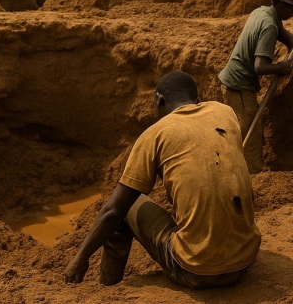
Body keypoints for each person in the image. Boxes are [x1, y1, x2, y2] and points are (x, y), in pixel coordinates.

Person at [64, 71, 261, 289]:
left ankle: (108, 287)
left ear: (159, 99)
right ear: (196, 101)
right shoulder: (225, 112)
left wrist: (80, 258)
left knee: (127, 205)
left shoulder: (155, 134)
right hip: (246, 261)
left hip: (194, 270)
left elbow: (113, 210)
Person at [217, 0, 293, 174]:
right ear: (279, 3)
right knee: (250, 141)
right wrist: (280, 67)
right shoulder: (269, 26)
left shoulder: (262, 12)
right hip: (239, 87)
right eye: (290, 7)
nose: (292, 13)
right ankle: (249, 182)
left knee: (239, 136)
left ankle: (231, 175)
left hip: (233, 83)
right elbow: (260, 66)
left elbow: (291, 42)